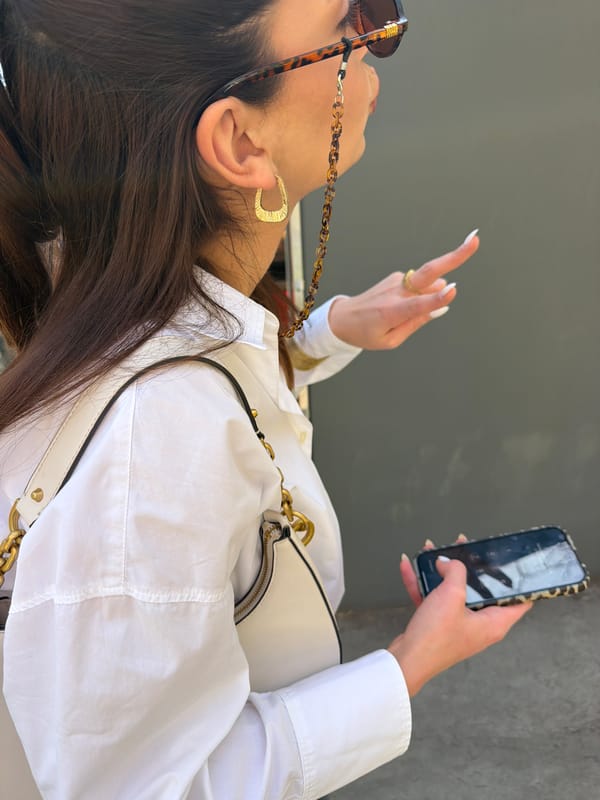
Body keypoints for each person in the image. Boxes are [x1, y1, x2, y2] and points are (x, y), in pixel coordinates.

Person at [0, 1, 531, 798]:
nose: (377, 35)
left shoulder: (114, 277)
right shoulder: (157, 442)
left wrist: (329, 330)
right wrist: (411, 662)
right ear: (239, 141)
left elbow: (209, 366)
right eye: (345, 19)